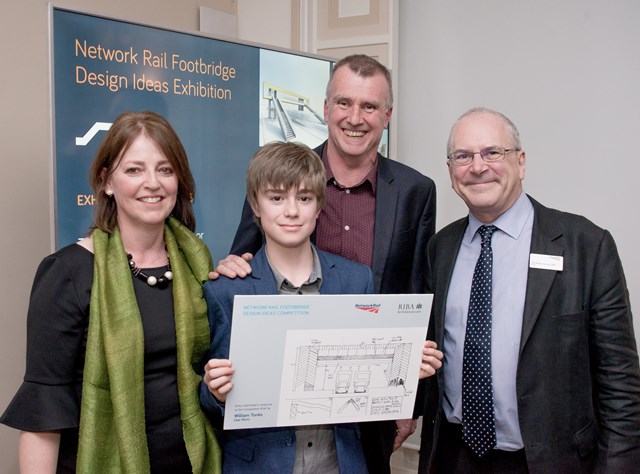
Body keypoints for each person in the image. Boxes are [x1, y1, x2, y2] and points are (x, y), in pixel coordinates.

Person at [215, 53, 437, 473]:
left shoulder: (415, 190)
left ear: (387, 115)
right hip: (276, 402)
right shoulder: (285, 179)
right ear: (325, 108)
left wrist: (407, 400)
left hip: (367, 399)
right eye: (344, 103)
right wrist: (230, 265)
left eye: (369, 106)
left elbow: (417, 290)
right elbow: (246, 256)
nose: (356, 117)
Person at [417, 107, 640, 473]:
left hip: (547, 462)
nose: (477, 166)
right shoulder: (440, 249)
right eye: (463, 156)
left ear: (520, 162)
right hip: (454, 457)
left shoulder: (585, 246)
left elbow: (621, 388)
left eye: (492, 152)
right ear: (450, 172)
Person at [0, 111, 221, 473]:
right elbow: (43, 412)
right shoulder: (68, 273)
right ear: (106, 182)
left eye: (165, 170)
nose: (152, 183)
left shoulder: (198, 266)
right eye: (134, 170)